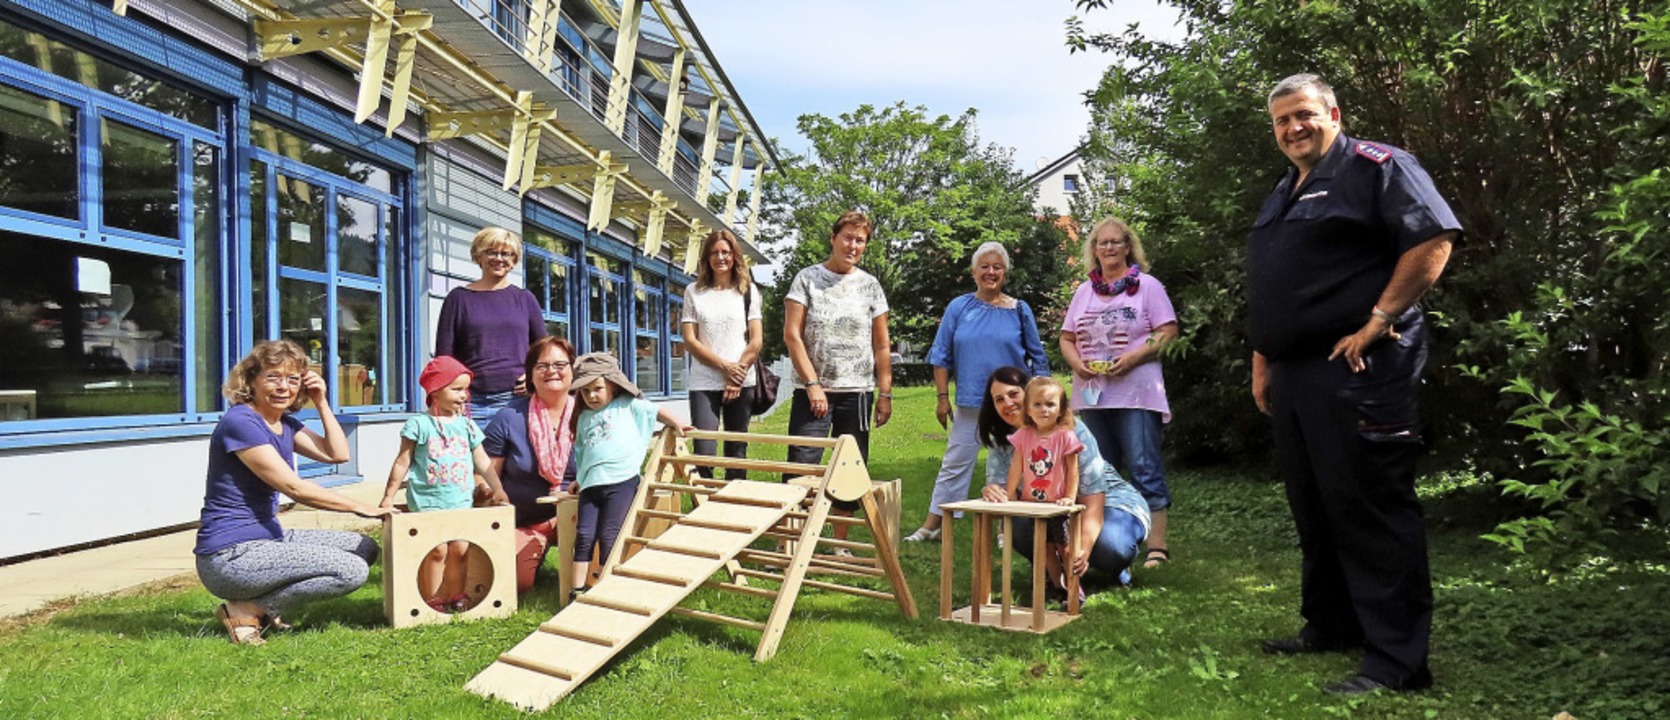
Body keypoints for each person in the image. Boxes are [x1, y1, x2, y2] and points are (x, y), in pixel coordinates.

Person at [1249, 73, 1459, 695]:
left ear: (1334, 113)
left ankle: (1397, 662)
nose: (1294, 128)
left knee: (1369, 505)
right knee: (1315, 505)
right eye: (1283, 121)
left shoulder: (1380, 167)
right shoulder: (1284, 189)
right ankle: (1332, 625)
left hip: (1358, 365)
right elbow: (1274, 284)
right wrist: (1264, 357)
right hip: (1294, 374)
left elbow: (1432, 238)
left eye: (1305, 115)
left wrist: (1379, 319)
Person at [194, 340, 396, 645]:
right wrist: (361, 507)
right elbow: (294, 487)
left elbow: (338, 454)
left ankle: (255, 606)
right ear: (250, 380)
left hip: (267, 538)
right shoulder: (240, 422)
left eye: (292, 379)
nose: (283, 387)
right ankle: (247, 610)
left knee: (364, 548)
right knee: (350, 571)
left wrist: (322, 402)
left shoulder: (284, 423)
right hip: (230, 556)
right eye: (273, 377)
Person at [904, 242, 1049, 543]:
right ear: (974, 272)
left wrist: (1040, 400)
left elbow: (1038, 358)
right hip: (971, 403)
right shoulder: (959, 307)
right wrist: (942, 398)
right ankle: (933, 525)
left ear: (1005, 273)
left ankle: (1004, 527)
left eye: (997, 267)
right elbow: (941, 355)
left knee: (1011, 466)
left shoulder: (1020, 310)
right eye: (984, 266)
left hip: (1013, 405)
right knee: (954, 464)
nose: (991, 272)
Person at [1060, 217, 1179, 568]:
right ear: (1093, 250)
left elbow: (1168, 331)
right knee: (1100, 470)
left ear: (1128, 247)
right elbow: (1066, 338)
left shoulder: (1147, 287)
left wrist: (1133, 357)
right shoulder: (1084, 291)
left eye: (1116, 242)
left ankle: (1157, 544)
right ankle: (1111, 539)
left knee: (1144, 465)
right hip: (1093, 394)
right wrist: (1077, 363)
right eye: (1102, 243)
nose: (1109, 248)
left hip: (1137, 393)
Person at [979, 366, 1150, 590]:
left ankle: (1113, 565)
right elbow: (1002, 494)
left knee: (1110, 547)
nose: (1007, 403)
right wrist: (990, 490)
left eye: (1013, 394)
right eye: (999, 399)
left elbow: (1093, 498)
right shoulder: (1003, 440)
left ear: (1030, 393)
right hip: (1051, 509)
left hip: (1109, 503)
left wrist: (1083, 549)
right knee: (1016, 521)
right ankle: (1051, 568)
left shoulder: (1070, 430)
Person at [783, 211, 893, 544]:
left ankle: (839, 544)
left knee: (850, 469)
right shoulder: (807, 278)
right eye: (848, 237)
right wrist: (813, 383)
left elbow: (882, 343)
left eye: (860, 240)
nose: (853, 245)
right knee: (802, 466)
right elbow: (792, 334)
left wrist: (885, 392)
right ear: (833, 238)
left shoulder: (870, 285)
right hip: (812, 391)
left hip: (857, 392)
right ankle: (791, 542)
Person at [378, 356, 508, 612]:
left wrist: (498, 487)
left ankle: (457, 595)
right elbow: (402, 462)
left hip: (460, 501)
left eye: (466, 389)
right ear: (435, 390)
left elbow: (481, 460)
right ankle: (433, 598)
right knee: (436, 550)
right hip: (427, 502)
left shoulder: (467, 425)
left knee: (460, 549)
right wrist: (388, 496)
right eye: (456, 389)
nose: (464, 395)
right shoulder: (419, 424)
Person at [566, 352, 688, 596]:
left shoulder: (627, 405)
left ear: (612, 385)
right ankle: (576, 591)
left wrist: (678, 424)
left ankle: (608, 589)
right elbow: (582, 452)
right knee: (584, 536)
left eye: (597, 389)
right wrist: (579, 479)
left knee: (609, 535)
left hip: (621, 481)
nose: (591, 395)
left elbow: (656, 411)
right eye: (585, 391)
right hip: (591, 485)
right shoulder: (583, 418)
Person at [483, 336, 578, 593]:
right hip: (525, 519)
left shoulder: (591, 414)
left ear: (572, 370)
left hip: (578, 515)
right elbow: (486, 474)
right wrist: (488, 492)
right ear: (530, 375)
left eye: (560, 364)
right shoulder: (509, 417)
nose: (552, 372)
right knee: (517, 584)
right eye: (542, 366)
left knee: (597, 574)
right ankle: (535, 546)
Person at [434, 227, 547, 421]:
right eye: (491, 252)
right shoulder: (458, 299)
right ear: (478, 255)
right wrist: (449, 398)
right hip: (470, 403)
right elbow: (444, 357)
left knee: (518, 453)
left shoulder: (525, 299)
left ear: (514, 260)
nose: (499, 258)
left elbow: (544, 349)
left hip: (517, 401)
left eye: (506, 253)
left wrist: (532, 377)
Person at [680, 229, 763, 478]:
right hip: (705, 380)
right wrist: (724, 368)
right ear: (706, 257)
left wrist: (736, 375)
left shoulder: (748, 291)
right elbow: (690, 340)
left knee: (736, 453)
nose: (720, 257)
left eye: (725, 252)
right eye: (714, 252)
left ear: (735, 256)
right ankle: (703, 510)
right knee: (704, 451)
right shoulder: (693, 292)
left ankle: (733, 509)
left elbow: (756, 340)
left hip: (741, 379)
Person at [1002, 376, 1083, 601]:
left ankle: (1075, 588)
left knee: (1065, 548)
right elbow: (1016, 468)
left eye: (1050, 404)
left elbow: (1073, 471)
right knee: (1044, 548)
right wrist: (1009, 495)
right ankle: (1058, 587)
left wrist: (1069, 497)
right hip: (1034, 505)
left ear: (1061, 409)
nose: (1043, 410)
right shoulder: (1023, 435)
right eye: (1037, 404)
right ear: (1027, 409)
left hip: (1057, 505)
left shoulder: (1065, 436)